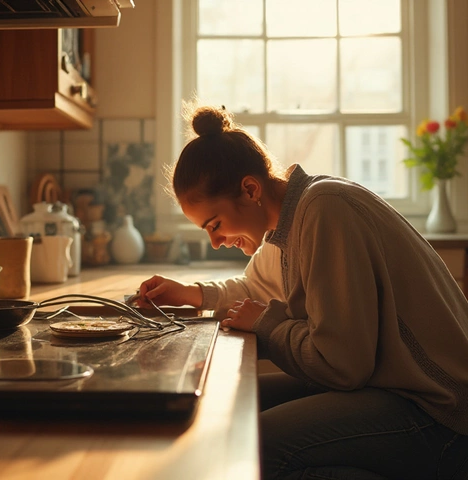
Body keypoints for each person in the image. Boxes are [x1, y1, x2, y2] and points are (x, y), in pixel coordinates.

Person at [136, 105, 468, 479]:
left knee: (260, 444)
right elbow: (254, 288)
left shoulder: (324, 209)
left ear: (250, 189)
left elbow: (342, 366)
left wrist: (267, 324)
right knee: (239, 406)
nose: (214, 242)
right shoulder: (294, 219)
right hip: (393, 386)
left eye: (215, 224)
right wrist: (191, 294)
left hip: (440, 412)